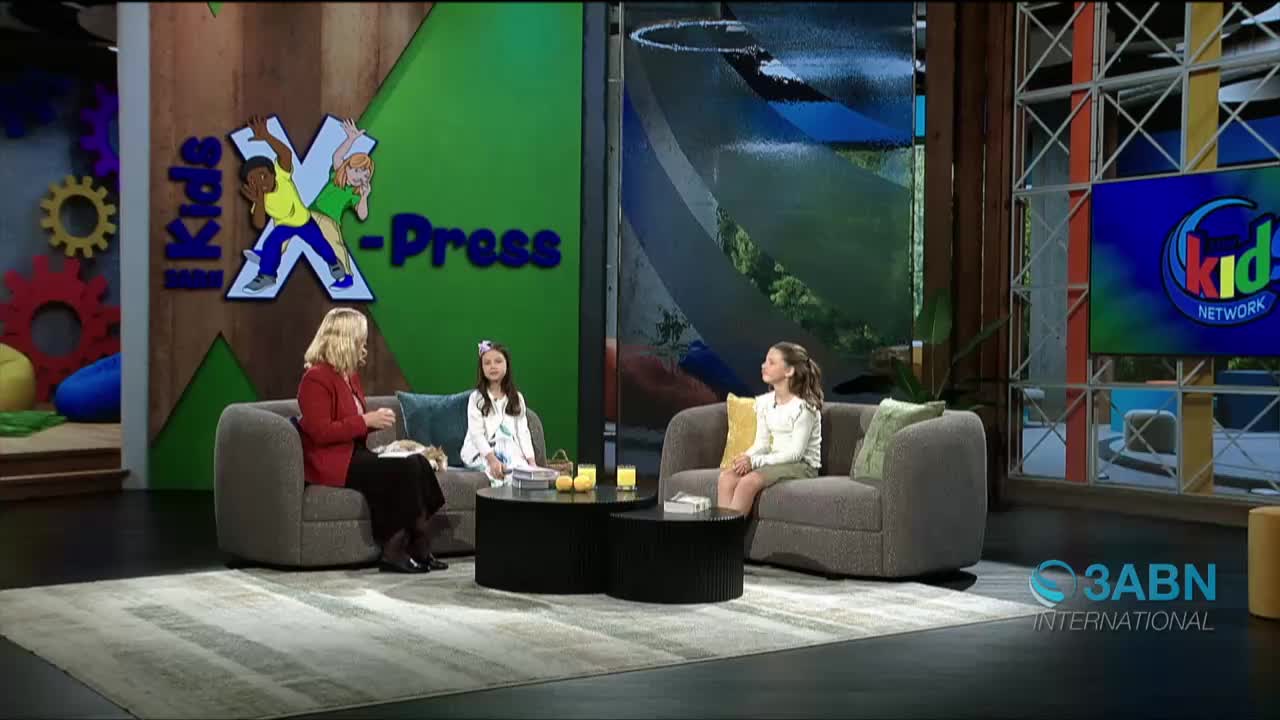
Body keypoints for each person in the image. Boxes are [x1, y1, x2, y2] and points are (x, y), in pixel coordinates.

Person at [295, 308, 448, 573]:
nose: (363, 344)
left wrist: (370, 423)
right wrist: (366, 421)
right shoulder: (315, 378)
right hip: (331, 461)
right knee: (405, 468)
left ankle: (419, 541)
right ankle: (394, 548)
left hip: (354, 453)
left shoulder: (349, 375)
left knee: (419, 463)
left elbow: (350, 423)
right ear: (345, 338)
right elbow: (321, 432)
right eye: (360, 339)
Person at [238, 115, 351, 294]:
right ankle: (267, 276)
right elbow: (258, 224)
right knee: (271, 244)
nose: (260, 183)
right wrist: (259, 202)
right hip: (284, 226)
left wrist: (267, 136)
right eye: (253, 181)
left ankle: (333, 263)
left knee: (321, 245)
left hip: (304, 221)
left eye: (262, 176)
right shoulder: (260, 197)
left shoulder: (282, 176)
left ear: (273, 173)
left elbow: (285, 154)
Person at [718, 341, 823, 515]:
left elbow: (795, 454)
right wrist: (747, 457)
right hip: (773, 460)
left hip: (801, 465)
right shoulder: (765, 403)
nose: (763, 366)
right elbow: (762, 444)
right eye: (765, 361)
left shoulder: (804, 409)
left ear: (789, 371)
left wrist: (755, 462)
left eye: (771, 362)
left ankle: (729, 537)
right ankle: (720, 533)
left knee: (747, 483)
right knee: (727, 477)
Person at [460, 340, 537, 484]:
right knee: (506, 472)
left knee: (525, 472)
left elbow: (523, 432)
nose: (492, 366)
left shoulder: (517, 398)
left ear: (506, 364)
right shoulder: (476, 398)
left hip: (509, 449)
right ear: (482, 368)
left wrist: (531, 462)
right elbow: (476, 434)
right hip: (482, 452)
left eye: (498, 361)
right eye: (487, 363)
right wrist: (493, 460)